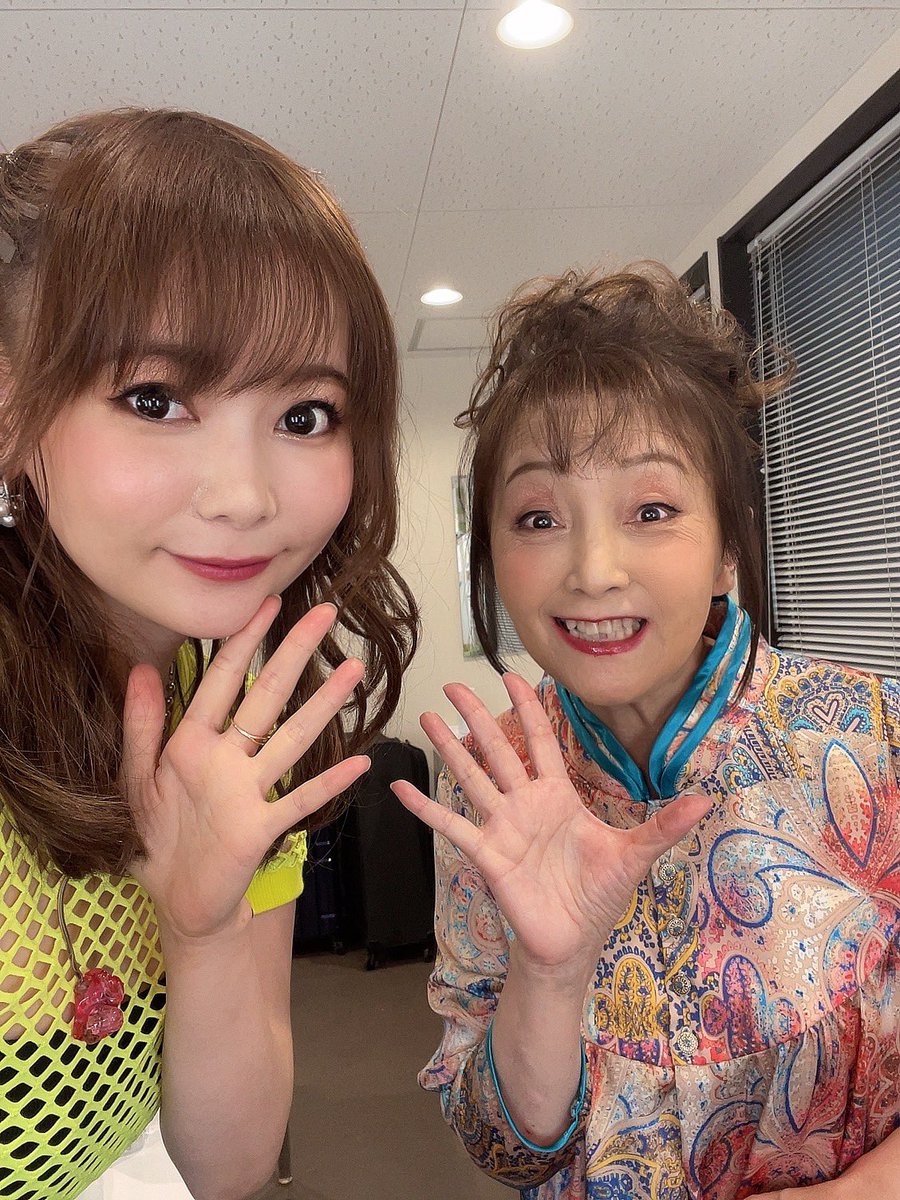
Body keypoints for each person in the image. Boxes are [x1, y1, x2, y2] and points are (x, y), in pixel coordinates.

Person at [393, 265, 900, 1199]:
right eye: (538, 517)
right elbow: (507, 1151)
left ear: (729, 545)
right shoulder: (491, 781)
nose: (593, 570)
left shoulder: (875, 738)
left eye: (652, 510)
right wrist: (549, 974)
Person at [0, 108, 417, 1200]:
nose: (244, 497)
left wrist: (207, 929)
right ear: (9, 410)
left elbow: (228, 1165)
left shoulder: (236, 717)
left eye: (307, 415)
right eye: (156, 399)